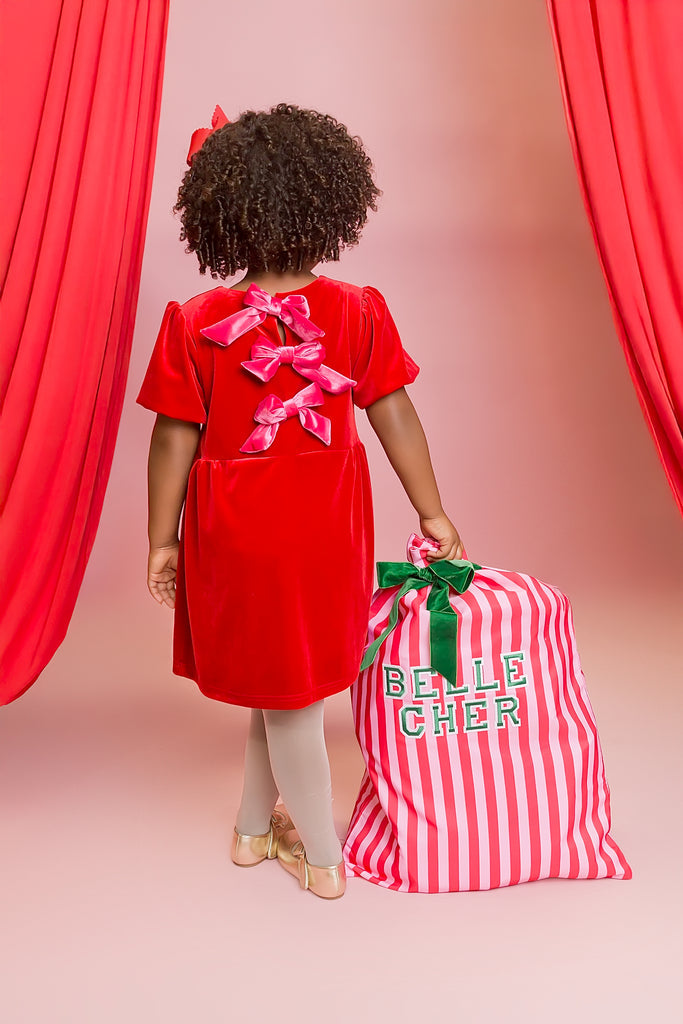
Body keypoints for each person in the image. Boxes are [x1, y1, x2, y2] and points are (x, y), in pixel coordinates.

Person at [136, 102, 463, 899]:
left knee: (278, 682)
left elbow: (173, 438)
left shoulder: (195, 319)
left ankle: (254, 830)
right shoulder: (356, 309)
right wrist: (431, 509)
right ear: (328, 205)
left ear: (219, 215)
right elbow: (395, 414)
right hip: (322, 521)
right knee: (292, 689)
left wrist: (162, 536)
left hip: (234, 525)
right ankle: (323, 856)